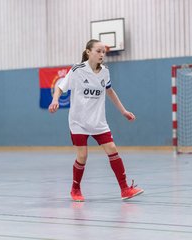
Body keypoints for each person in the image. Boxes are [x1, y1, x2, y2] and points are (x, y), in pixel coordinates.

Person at [48, 39, 144, 201]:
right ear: (88, 52)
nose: (101, 54)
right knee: (82, 156)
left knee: (112, 149)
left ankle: (125, 189)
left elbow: (110, 91)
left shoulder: (105, 72)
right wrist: (55, 100)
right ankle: (75, 189)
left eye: (103, 52)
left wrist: (123, 111)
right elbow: (60, 87)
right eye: (98, 51)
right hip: (78, 121)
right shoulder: (77, 69)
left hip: (98, 121)